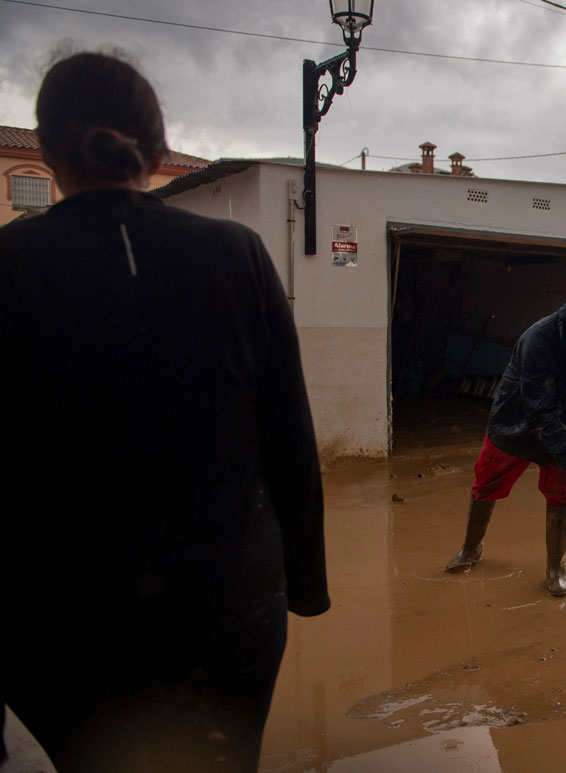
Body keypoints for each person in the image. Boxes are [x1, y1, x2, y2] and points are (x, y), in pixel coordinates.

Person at [0, 51, 329, 773]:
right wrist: (303, 583)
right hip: (226, 611)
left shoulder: (10, 263)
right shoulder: (237, 253)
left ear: (48, 152)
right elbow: (288, 440)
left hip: (56, 626)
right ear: (155, 152)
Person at [444, 283, 566, 597]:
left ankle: (555, 568)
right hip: (515, 421)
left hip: (564, 421)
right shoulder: (539, 339)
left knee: (562, 493)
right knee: (486, 484)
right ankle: (470, 548)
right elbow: (539, 408)